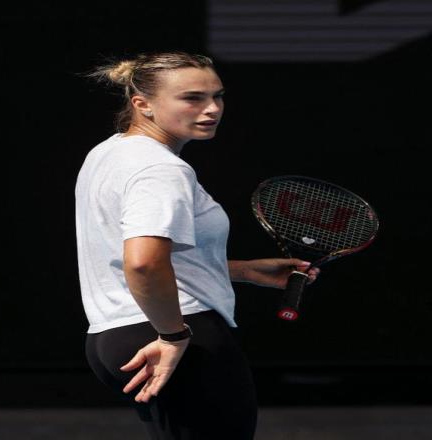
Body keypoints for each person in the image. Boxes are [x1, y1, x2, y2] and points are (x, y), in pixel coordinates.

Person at [75, 51, 319, 440]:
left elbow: (128, 257)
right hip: (175, 336)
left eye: (217, 96)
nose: (212, 109)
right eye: (192, 98)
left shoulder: (109, 152)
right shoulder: (161, 169)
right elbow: (143, 264)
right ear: (143, 104)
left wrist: (242, 270)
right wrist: (173, 335)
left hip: (113, 337)